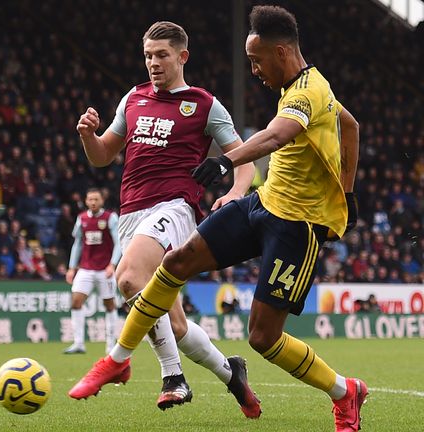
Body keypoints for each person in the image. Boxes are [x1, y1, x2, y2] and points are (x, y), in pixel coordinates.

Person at [70, 6, 365, 431]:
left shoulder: (307, 91)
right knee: (174, 265)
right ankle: (120, 362)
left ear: (281, 52)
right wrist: (350, 193)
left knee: (263, 337)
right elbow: (350, 125)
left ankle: (344, 391)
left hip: (299, 226)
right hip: (262, 205)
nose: (254, 70)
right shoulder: (302, 88)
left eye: (257, 61)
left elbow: (276, 135)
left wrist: (227, 164)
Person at [68, 21, 260, 416]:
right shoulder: (133, 99)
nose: (153, 64)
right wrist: (89, 135)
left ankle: (171, 377)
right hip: (131, 214)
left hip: (175, 208)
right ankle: (232, 374)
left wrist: (235, 192)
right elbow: (104, 154)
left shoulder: (203, 104)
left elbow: (244, 158)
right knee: (173, 324)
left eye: (161, 56)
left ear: (182, 57)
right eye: (148, 56)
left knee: (127, 278)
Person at [64, 188, 121, 355]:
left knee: (109, 305)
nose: (93, 202)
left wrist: (113, 264)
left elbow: (118, 242)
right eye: (90, 199)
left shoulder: (110, 218)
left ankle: (111, 346)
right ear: (86, 201)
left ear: (102, 201)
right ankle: (79, 343)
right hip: (86, 268)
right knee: (76, 302)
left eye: (96, 199)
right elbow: (78, 243)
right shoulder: (81, 219)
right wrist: (71, 267)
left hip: (105, 269)